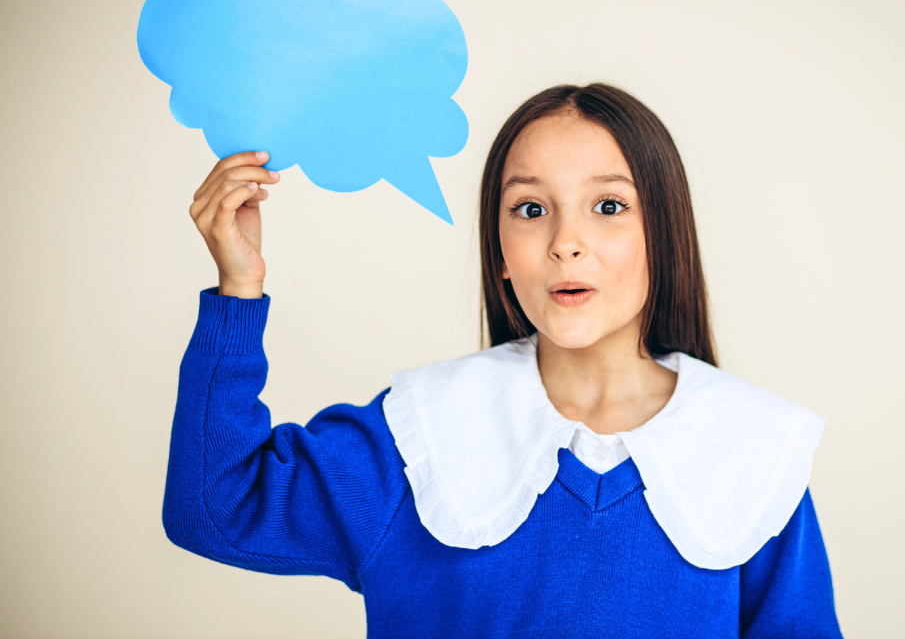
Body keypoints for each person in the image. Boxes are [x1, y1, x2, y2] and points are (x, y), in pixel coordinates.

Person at [166, 83, 844, 637]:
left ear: (663, 235)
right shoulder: (418, 438)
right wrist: (238, 288)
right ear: (499, 256)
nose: (565, 242)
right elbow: (214, 506)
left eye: (609, 206)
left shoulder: (752, 451)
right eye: (529, 209)